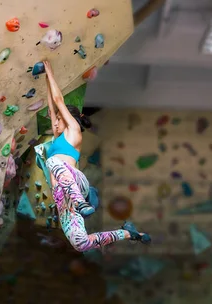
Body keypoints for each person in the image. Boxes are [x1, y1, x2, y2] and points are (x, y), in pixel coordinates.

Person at [42, 61, 151, 252]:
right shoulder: (58, 137)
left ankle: (80, 202)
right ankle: (127, 233)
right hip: (64, 197)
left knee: (52, 161)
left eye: (60, 120)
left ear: (69, 120)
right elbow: (53, 108)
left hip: (77, 185)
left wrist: (51, 72)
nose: (56, 123)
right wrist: (45, 80)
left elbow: (59, 102)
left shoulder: (73, 132)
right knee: (79, 244)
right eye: (56, 120)